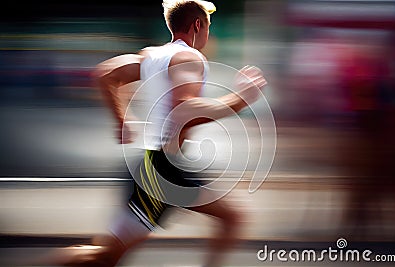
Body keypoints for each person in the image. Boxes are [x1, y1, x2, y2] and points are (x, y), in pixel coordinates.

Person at [46, 1, 267, 266]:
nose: (210, 33)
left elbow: (105, 74)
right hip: (162, 171)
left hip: (156, 165)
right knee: (232, 218)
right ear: (198, 25)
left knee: (107, 256)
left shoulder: (152, 56)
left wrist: (121, 119)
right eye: (209, 26)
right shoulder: (190, 58)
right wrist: (240, 100)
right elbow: (185, 110)